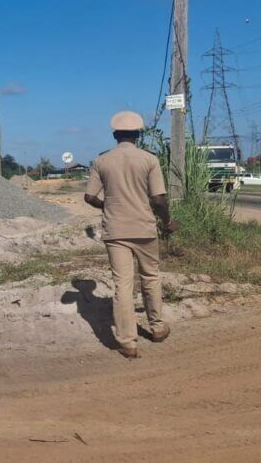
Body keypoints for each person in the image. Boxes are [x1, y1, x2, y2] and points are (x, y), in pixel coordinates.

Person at [83, 111, 177, 359]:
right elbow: (158, 198)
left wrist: (108, 206)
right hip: (144, 228)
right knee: (151, 277)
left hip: (115, 231)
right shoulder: (149, 159)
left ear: (115, 135)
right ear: (138, 134)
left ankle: (127, 342)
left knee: (122, 285)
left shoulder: (102, 161)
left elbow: (89, 196)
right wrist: (167, 221)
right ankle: (157, 328)